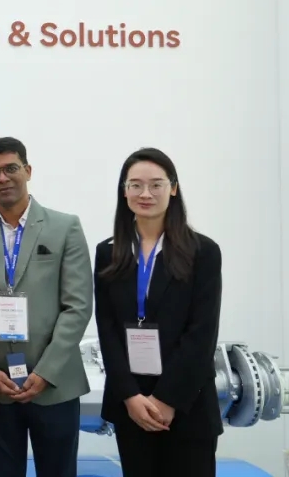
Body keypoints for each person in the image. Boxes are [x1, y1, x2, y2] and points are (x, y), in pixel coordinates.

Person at [0, 137, 93, 477]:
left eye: (11, 168)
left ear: (28, 170)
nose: (2, 178)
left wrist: (45, 372)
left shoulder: (65, 227)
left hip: (55, 384)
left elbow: (77, 306)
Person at [93, 147, 223, 476]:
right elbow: (107, 330)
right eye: (135, 185)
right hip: (132, 407)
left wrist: (167, 400)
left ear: (173, 188)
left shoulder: (203, 252)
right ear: (124, 191)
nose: (145, 194)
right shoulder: (108, 253)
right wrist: (130, 396)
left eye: (156, 184)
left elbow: (202, 334)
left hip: (187, 404)